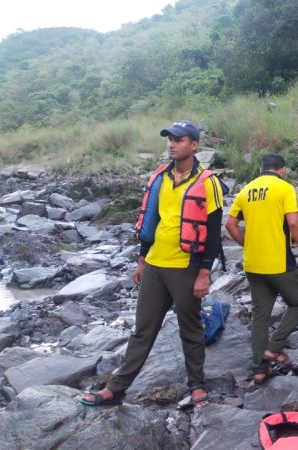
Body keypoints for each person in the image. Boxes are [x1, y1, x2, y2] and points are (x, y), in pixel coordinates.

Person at [80, 120, 225, 409]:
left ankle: (196, 385)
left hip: (186, 267)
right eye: (169, 139)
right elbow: (150, 221)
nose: (171, 144)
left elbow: (212, 233)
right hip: (155, 266)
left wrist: (204, 273)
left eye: (179, 140)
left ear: (194, 145)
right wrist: (142, 260)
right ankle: (116, 389)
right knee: (143, 330)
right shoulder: (159, 176)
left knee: (191, 329)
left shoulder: (209, 183)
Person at [225, 154, 298, 384]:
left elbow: (230, 224)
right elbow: (294, 223)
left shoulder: (246, 191)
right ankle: (274, 348)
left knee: (260, 316)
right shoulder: (284, 188)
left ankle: (259, 369)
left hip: (253, 263)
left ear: (261, 169)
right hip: (279, 261)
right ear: (281, 170)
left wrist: (246, 243)